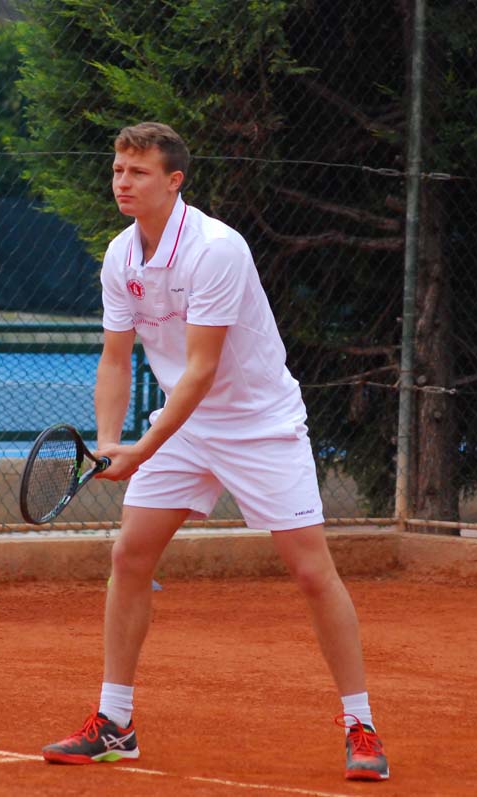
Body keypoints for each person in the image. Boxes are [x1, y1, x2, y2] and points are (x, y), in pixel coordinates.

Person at [40, 123, 389, 782]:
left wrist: (142, 449)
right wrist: (109, 441)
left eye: (137, 172)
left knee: (311, 571)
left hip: (258, 423)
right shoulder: (119, 255)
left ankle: (360, 725)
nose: (121, 182)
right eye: (117, 170)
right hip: (187, 426)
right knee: (129, 556)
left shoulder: (216, 249)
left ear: (174, 181)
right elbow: (115, 359)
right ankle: (116, 723)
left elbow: (201, 370)